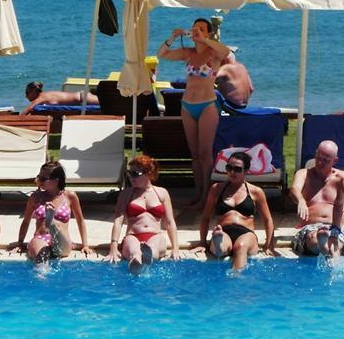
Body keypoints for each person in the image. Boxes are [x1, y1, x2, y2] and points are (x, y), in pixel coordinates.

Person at [158, 18, 231, 205]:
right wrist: (173, 37)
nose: (197, 31)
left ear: (209, 33)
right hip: (187, 105)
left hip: (207, 105)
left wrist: (205, 40)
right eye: (195, 28)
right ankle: (198, 192)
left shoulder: (213, 53)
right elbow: (162, 53)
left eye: (202, 29)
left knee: (205, 153)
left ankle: (207, 195)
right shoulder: (188, 53)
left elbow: (226, 52)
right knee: (195, 154)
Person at [196, 150, 276, 270]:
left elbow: (267, 220)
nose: (232, 172)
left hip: (246, 233)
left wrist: (269, 244)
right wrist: (202, 242)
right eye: (229, 168)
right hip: (224, 231)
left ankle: (236, 276)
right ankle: (218, 244)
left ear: (246, 171)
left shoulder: (256, 192)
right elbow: (206, 217)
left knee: (240, 246)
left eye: (237, 169)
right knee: (222, 247)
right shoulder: (216, 189)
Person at [107, 155, 180, 273]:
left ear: (149, 174)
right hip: (133, 236)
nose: (131, 177)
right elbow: (118, 221)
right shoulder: (126, 194)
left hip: (155, 235)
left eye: (135, 174)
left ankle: (144, 262)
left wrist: (175, 249)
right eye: (129, 173)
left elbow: (170, 222)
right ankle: (138, 264)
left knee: (152, 249)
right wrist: (113, 247)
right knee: (134, 253)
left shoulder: (162, 193)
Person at [14, 161, 91, 263]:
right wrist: (20, 242)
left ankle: (50, 222)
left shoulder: (70, 196)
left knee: (56, 231)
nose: (39, 181)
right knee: (41, 257)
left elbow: (80, 221)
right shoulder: (35, 197)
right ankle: (50, 222)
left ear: (56, 180)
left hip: (61, 240)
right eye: (39, 177)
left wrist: (85, 245)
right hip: (41, 238)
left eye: (43, 179)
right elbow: (26, 221)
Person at [291, 140, 344, 257]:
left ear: (335, 160)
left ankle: (324, 245)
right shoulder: (304, 174)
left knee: (337, 242)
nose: (320, 162)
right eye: (318, 158)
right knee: (312, 238)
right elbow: (295, 189)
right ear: (315, 154)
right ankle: (327, 249)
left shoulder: (342, 177)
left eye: (325, 160)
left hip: (334, 227)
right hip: (311, 227)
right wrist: (301, 200)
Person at [20, 81, 98, 115]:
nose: (26, 96)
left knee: (105, 103)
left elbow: (29, 108)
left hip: (82, 98)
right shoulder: (45, 95)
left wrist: (17, 119)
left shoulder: (41, 97)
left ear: (33, 91)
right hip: (81, 97)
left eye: (27, 93)